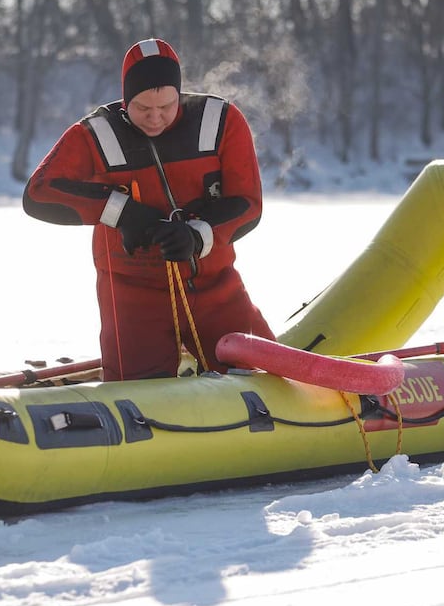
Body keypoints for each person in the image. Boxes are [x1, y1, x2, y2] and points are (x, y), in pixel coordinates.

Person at [23, 38, 274, 381]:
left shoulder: (220, 121)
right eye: (143, 108)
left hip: (215, 287)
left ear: (180, 95)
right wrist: (121, 212)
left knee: (263, 376)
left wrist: (197, 234)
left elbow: (248, 203)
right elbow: (38, 194)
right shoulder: (97, 133)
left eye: (167, 106)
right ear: (126, 100)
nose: (155, 118)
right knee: (136, 387)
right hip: (131, 296)